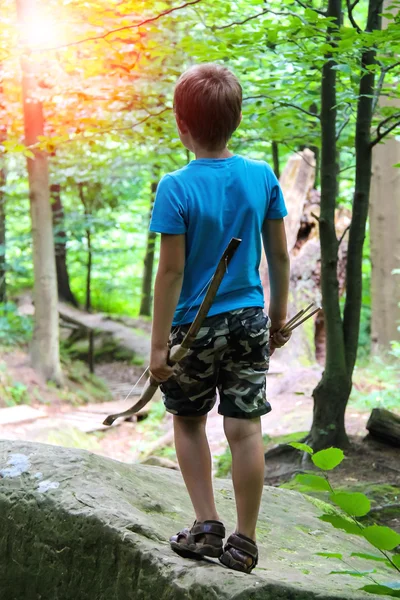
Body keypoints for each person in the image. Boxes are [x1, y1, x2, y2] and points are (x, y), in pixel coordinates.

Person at [148, 63, 291, 574]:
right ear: (235, 119)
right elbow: (278, 256)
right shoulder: (261, 176)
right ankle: (245, 542)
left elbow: (170, 273)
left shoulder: (175, 186)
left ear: (181, 125)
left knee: (189, 420)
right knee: (245, 428)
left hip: (194, 327)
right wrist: (277, 317)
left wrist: (158, 346)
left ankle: (206, 525)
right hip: (250, 319)